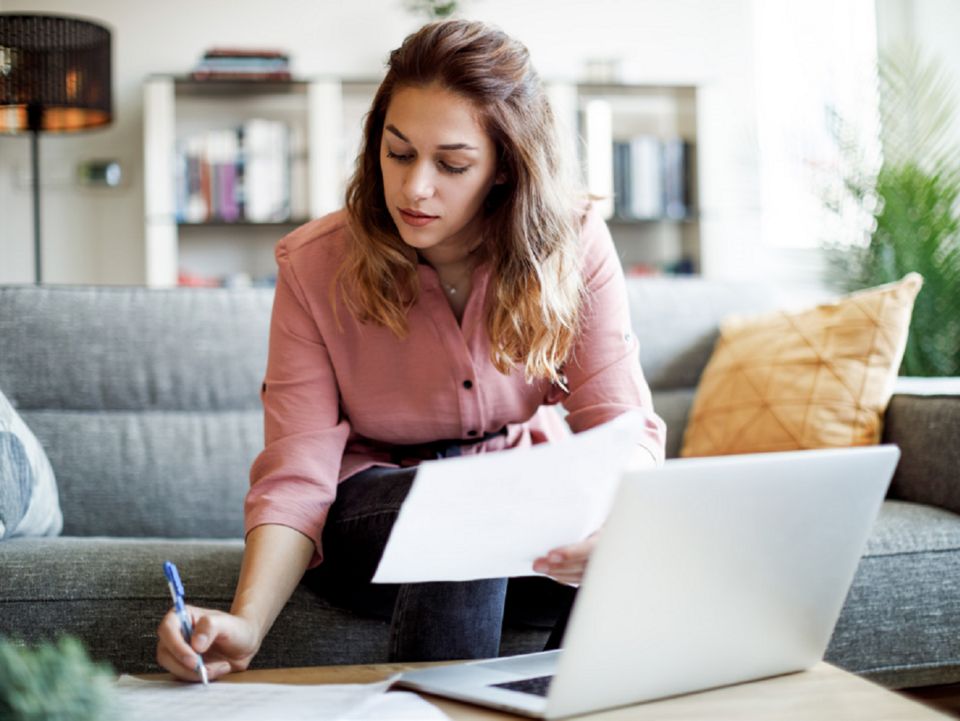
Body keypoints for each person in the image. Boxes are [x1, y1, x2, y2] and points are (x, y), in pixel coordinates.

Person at [156, 18, 666, 682]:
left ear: (507, 168)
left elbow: (624, 427)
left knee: (635, 552)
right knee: (469, 505)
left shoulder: (571, 240)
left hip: (524, 500)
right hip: (373, 512)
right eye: (398, 154)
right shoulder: (314, 266)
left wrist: (618, 527)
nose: (414, 187)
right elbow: (297, 475)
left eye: (451, 163)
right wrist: (246, 622)